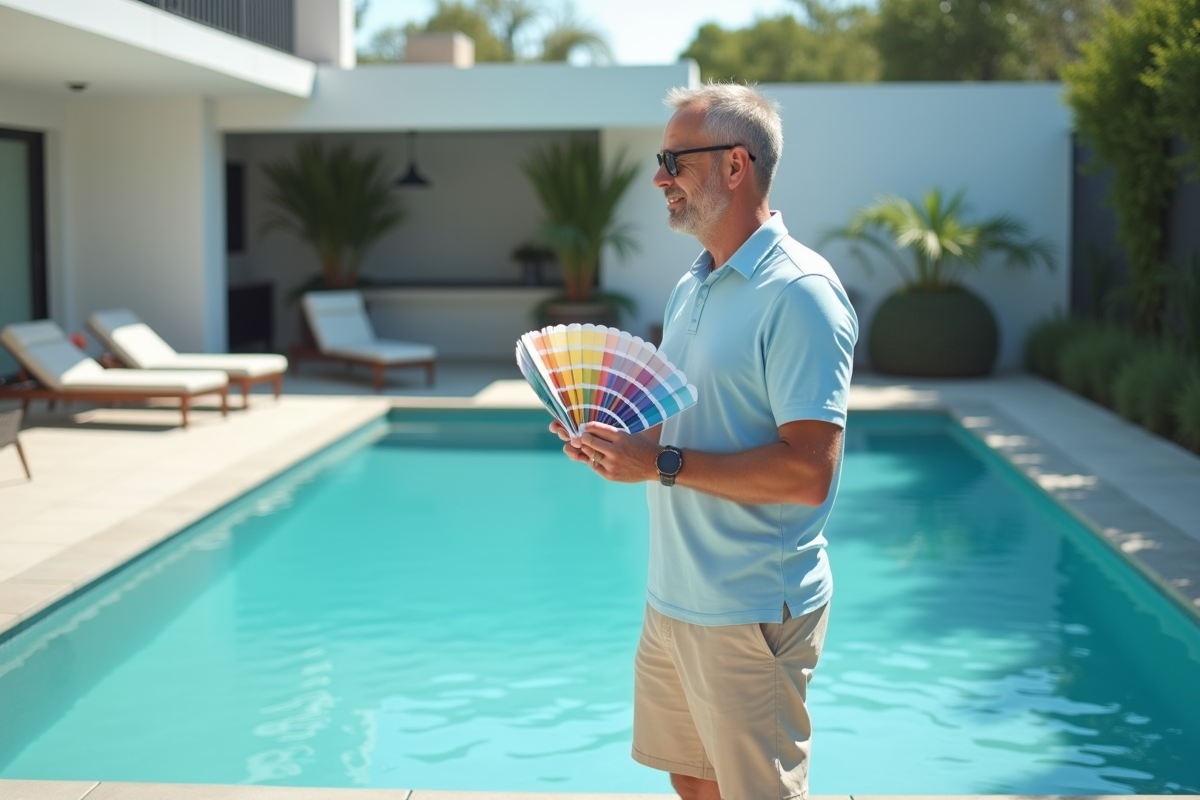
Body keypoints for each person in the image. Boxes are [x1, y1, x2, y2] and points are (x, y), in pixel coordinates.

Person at [550, 83, 858, 800]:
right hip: (674, 597)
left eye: (674, 160)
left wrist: (658, 463)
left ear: (735, 166)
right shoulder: (694, 286)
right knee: (691, 780)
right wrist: (615, 441)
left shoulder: (801, 292)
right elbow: (683, 418)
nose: (659, 177)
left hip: (748, 606)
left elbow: (809, 473)